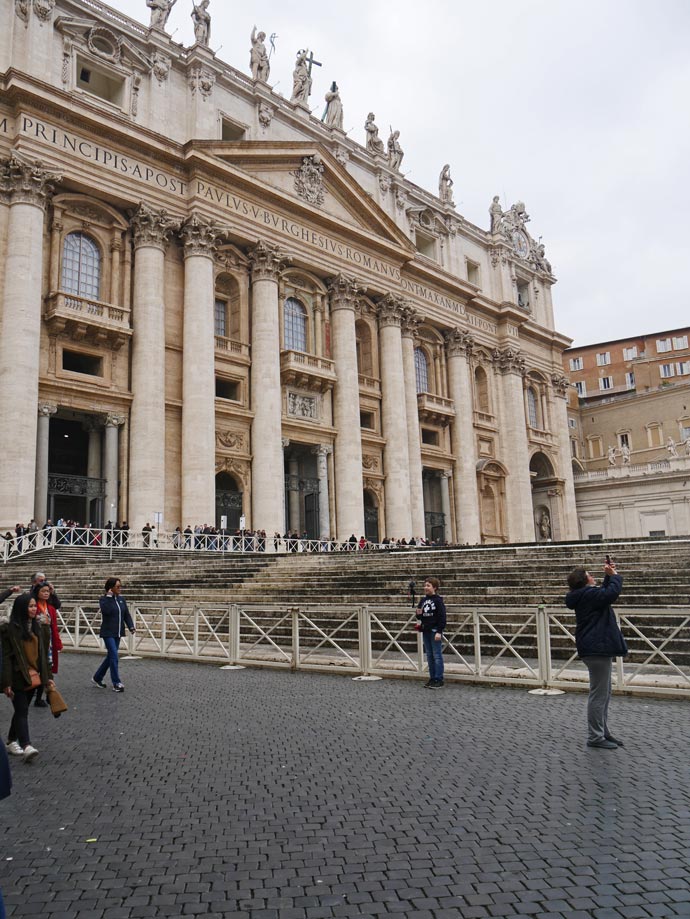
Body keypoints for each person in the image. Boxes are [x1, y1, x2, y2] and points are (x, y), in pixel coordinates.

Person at [565, 560, 627, 749]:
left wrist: (609, 576)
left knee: (604, 692)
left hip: (595, 646)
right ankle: (595, 736)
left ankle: (602, 731)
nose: (593, 577)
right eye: (590, 575)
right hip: (596, 646)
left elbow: (602, 594)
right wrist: (614, 576)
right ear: (585, 581)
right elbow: (610, 594)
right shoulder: (589, 595)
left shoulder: (584, 594)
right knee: (599, 694)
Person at [1, 593, 54, 762]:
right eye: (30, 606)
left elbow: (44, 656)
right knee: (22, 710)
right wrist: (6, 683)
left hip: (34, 676)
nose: (33, 609)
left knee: (21, 710)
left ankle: (10, 741)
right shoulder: (10, 629)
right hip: (17, 675)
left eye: (34, 606)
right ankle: (26, 745)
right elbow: (7, 658)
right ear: (22, 608)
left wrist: (48, 678)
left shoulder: (39, 626)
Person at [92, 578, 135, 693]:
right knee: (114, 656)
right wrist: (109, 597)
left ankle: (97, 677)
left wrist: (131, 626)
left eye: (120, 586)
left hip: (118, 632)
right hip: (108, 632)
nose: (120, 588)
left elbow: (126, 614)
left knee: (111, 656)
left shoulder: (122, 599)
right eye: (117, 586)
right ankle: (116, 683)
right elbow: (106, 611)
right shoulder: (104, 600)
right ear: (111, 588)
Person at [31, 583, 63, 708]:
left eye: (48, 591)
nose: (46, 593)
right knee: (39, 669)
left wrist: (58, 643)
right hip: (36, 643)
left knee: (48, 668)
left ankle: (46, 695)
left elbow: (54, 627)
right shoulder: (33, 606)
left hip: (48, 643)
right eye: (43, 591)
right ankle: (42, 695)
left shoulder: (50, 608)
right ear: (37, 592)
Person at [416, 577, 446, 688]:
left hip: (434, 630)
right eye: (425, 585)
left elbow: (442, 617)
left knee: (437, 655)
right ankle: (432, 678)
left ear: (435, 588)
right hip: (426, 630)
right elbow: (419, 615)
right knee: (429, 655)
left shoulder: (438, 600)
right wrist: (418, 613)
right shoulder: (423, 600)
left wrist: (439, 631)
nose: (425, 588)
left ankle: (439, 678)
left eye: (428, 586)